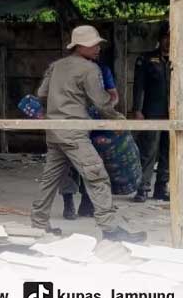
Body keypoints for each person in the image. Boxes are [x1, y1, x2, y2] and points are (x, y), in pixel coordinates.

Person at [30, 25, 146, 242]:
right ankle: (110, 229)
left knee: (50, 179)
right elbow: (101, 102)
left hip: (54, 131)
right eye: (93, 45)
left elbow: (41, 93)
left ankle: (38, 224)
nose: (98, 48)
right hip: (74, 132)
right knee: (97, 176)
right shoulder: (90, 69)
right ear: (80, 46)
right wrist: (117, 118)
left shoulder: (56, 66)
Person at [60, 62, 116, 220]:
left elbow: (113, 95)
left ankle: (87, 204)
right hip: (70, 121)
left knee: (92, 163)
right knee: (68, 163)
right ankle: (68, 204)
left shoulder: (103, 69)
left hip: (95, 123)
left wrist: (106, 107)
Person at [132, 22, 170, 202]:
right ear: (160, 38)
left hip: (174, 114)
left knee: (169, 151)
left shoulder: (178, 59)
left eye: (173, 37)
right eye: (166, 37)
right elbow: (139, 87)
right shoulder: (146, 59)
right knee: (148, 151)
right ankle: (142, 188)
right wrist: (137, 110)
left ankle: (162, 187)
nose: (169, 41)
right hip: (152, 112)